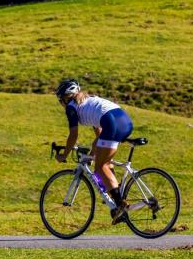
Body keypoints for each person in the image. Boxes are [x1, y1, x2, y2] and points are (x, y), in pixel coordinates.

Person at [54, 78, 134, 224]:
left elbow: (73, 135)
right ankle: (115, 193)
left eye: (60, 100)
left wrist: (64, 154)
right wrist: (92, 153)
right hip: (124, 120)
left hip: (111, 123)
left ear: (66, 98)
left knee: (99, 166)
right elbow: (99, 134)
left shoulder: (71, 107)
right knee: (104, 163)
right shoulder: (88, 101)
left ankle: (120, 204)